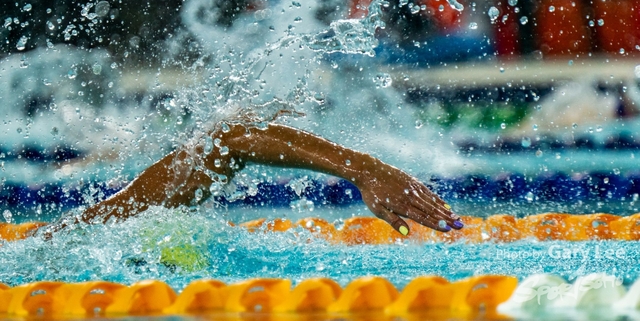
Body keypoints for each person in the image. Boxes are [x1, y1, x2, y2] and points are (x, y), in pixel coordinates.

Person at [44, 113, 463, 237]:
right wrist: (366, 169)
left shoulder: (82, 235)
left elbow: (229, 137)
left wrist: (366, 170)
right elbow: (230, 137)